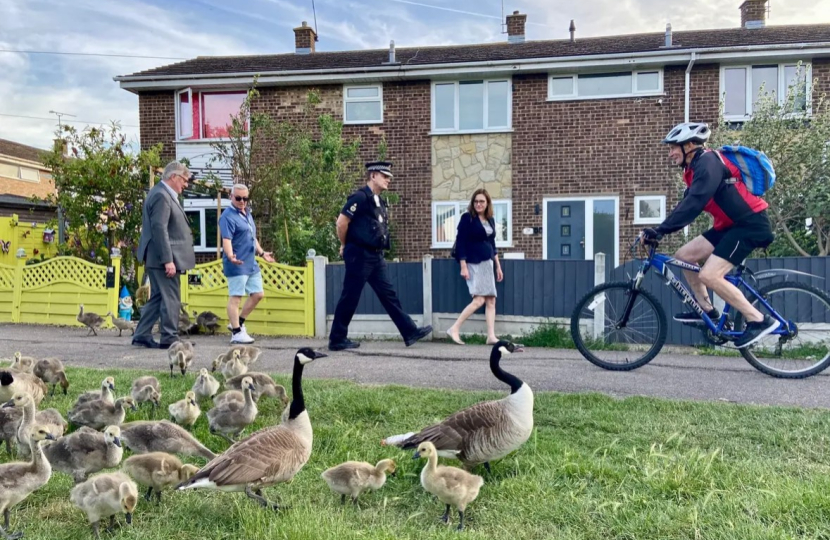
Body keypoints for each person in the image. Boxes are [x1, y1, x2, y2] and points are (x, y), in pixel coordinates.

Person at [641, 122, 777, 349]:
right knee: (684, 256)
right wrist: (660, 228)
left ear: (690, 145)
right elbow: (686, 204)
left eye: (673, 147)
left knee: (710, 275)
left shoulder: (708, 162)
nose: (670, 153)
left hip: (749, 224)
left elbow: (696, 202)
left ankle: (759, 320)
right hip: (729, 226)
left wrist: (661, 231)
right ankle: (707, 311)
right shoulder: (693, 170)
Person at [328, 160, 432, 351]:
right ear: (373, 175)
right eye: (385, 176)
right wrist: (344, 245)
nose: (388, 180)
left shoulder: (379, 201)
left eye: (389, 177)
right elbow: (342, 223)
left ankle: (409, 332)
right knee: (350, 296)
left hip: (375, 256)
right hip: (359, 254)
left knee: (389, 295)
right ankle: (337, 339)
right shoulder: (359, 197)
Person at [132, 161, 196, 349]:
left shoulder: (162, 193)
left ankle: (142, 334)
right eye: (184, 180)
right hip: (162, 258)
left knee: (159, 297)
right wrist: (168, 260)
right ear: (174, 177)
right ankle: (169, 337)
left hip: (156, 256)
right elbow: (159, 228)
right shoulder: (161, 195)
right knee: (171, 297)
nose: (186, 184)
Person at [445, 189, 504, 345]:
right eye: (476, 201)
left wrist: (498, 266)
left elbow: (492, 244)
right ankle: (454, 329)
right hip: (473, 263)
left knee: (491, 300)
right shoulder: (467, 219)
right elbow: (461, 242)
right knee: (478, 300)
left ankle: (491, 336)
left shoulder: (490, 219)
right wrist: (463, 266)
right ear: (473, 203)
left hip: (488, 263)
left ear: (487, 203)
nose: (478, 204)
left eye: (482, 201)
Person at [219, 183, 275, 345]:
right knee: (235, 297)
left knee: (258, 294)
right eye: (238, 198)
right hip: (237, 262)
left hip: (250, 263)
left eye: (245, 198)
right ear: (231, 196)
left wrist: (262, 253)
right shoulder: (227, 216)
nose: (242, 201)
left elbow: (252, 237)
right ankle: (236, 333)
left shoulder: (247, 213)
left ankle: (238, 323)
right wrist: (230, 256)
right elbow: (226, 240)